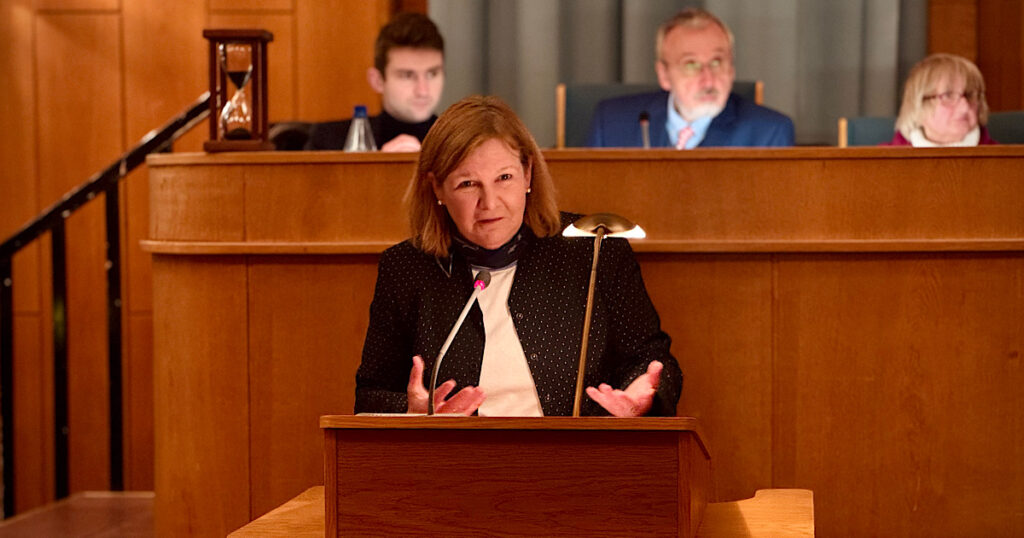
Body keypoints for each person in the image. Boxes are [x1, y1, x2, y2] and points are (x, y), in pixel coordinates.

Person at [355, 95, 682, 417]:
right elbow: (370, 395)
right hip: (455, 462)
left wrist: (641, 396)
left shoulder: (593, 248)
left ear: (527, 173)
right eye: (468, 184)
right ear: (437, 188)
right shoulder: (406, 268)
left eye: (504, 178)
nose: (490, 202)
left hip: (577, 460)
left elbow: (651, 360)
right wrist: (413, 412)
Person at [587, 8, 794, 149]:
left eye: (716, 62)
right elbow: (587, 207)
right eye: (691, 65)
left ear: (731, 68)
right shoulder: (610, 123)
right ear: (664, 75)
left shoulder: (769, 133)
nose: (708, 79)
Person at [305, 12, 444, 152]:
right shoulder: (330, 141)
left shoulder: (462, 143)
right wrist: (378, 168)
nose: (423, 90)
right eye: (407, 76)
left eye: (432, 74)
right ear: (377, 81)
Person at [885, 53, 996, 146]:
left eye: (969, 95)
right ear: (919, 104)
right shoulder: (881, 163)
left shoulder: (1004, 161)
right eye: (948, 95)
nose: (965, 107)